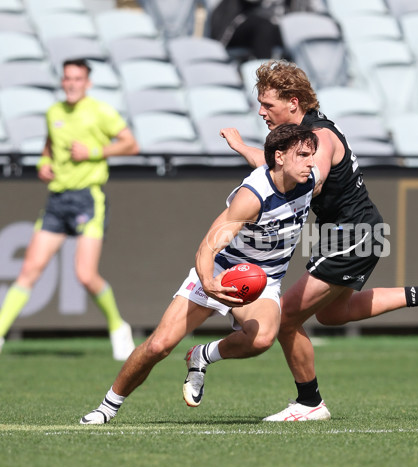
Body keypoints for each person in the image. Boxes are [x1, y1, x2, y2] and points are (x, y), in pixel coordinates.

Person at [220, 60, 418, 421]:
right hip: (347, 233)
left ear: (293, 102)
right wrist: (244, 148)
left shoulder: (317, 137)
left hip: (353, 235)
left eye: (267, 104)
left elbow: (312, 176)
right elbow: (281, 170)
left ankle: (310, 402)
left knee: (286, 316)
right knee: (332, 313)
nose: (261, 111)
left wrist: (300, 179)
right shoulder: (303, 136)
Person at [79, 123, 319, 424]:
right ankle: (107, 407)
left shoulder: (309, 177)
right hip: (220, 271)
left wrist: (242, 146)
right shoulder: (252, 197)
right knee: (158, 345)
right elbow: (207, 248)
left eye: (313, 155)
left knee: (262, 339)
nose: (312, 162)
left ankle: (202, 356)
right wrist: (209, 283)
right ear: (281, 158)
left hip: (263, 279)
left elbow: (264, 159)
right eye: (304, 155)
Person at [0, 58, 139, 360]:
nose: (71, 83)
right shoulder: (54, 112)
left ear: (87, 83)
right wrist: (44, 163)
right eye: (67, 78)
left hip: (87, 199)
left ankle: (118, 327)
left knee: (85, 275)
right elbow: (49, 145)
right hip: (56, 200)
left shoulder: (100, 111)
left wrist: (92, 151)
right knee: (29, 270)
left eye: (77, 78)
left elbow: (130, 144)